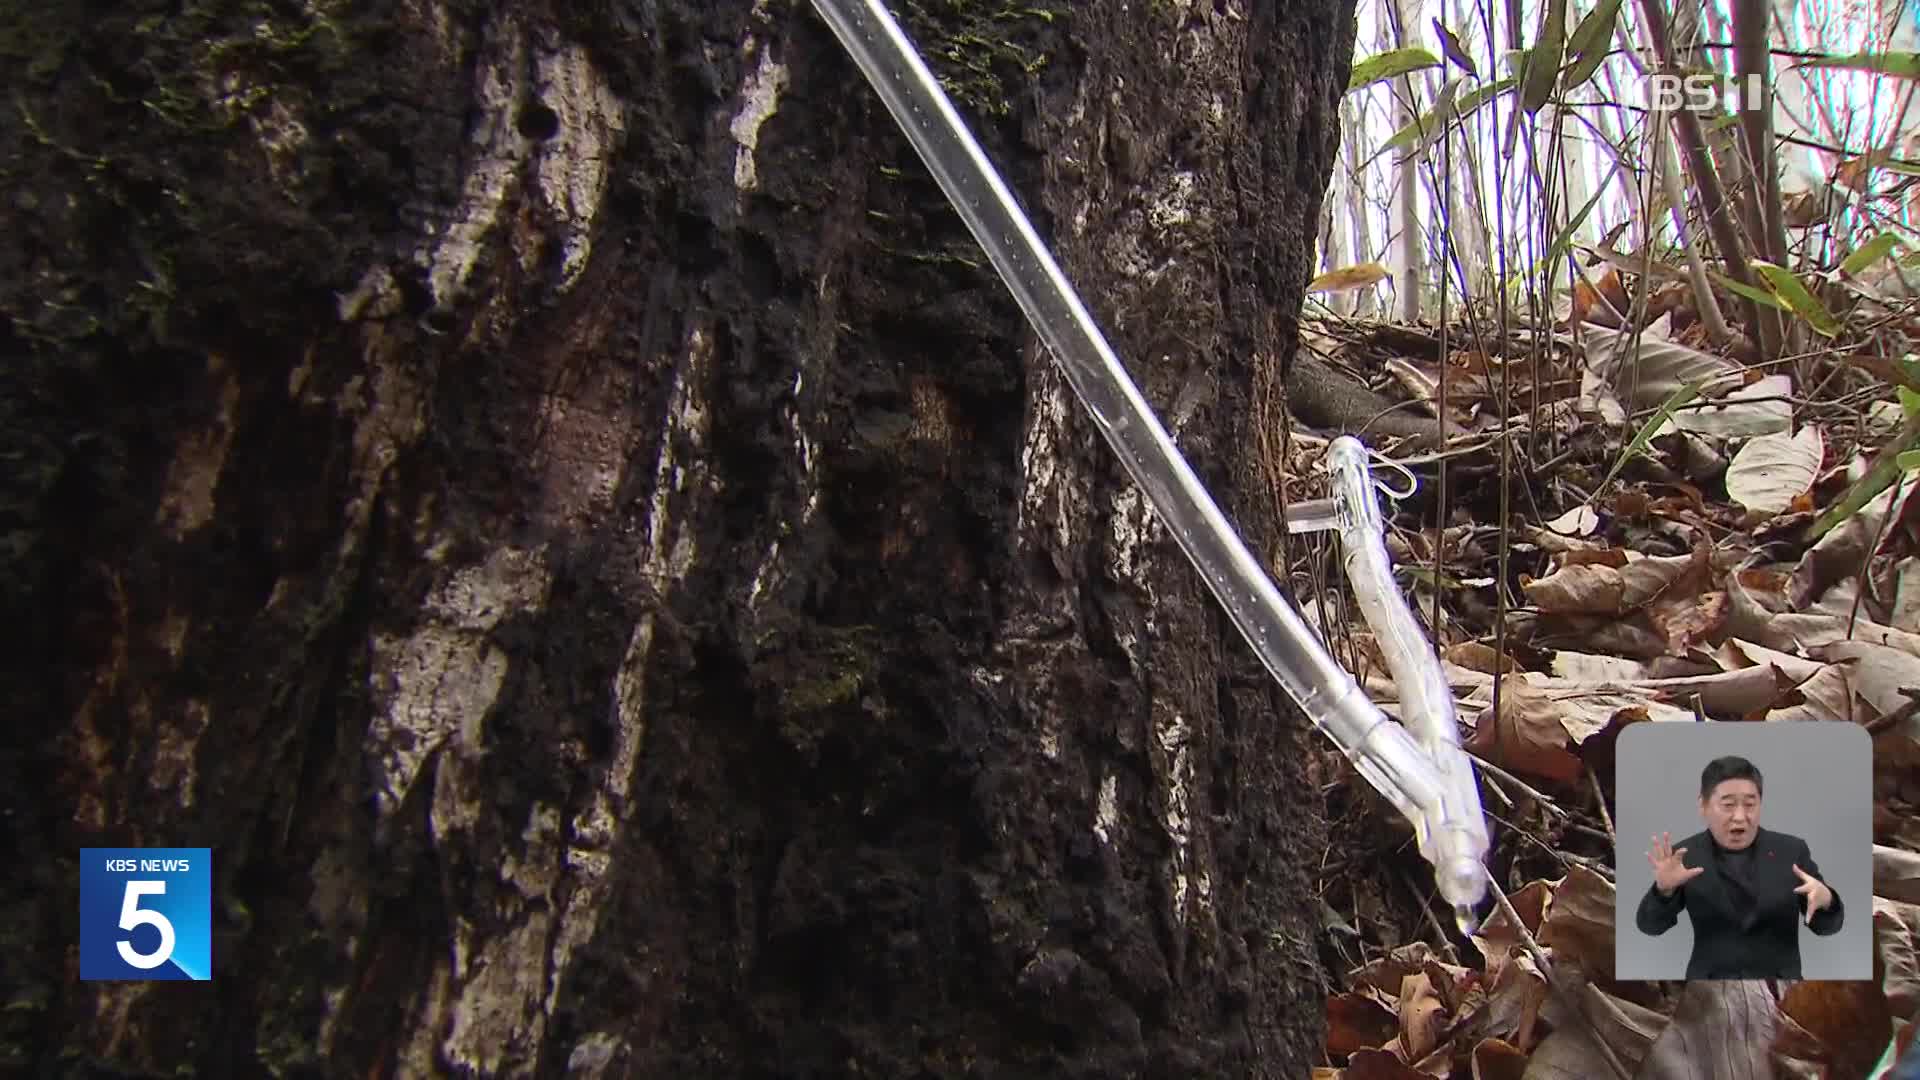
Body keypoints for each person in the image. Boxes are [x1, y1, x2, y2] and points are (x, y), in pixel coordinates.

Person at [1635, 756, 1843, 980]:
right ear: (1703, 806)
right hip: (1708, 991)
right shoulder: (1685, 856)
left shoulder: (1791, 851)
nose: (1740, 817)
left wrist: (1827, 900)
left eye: (1750, 804)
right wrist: (1663, 891)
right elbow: (1650, 927)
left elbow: (1827, 927)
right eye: (1728, 805)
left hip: (1783, 990)